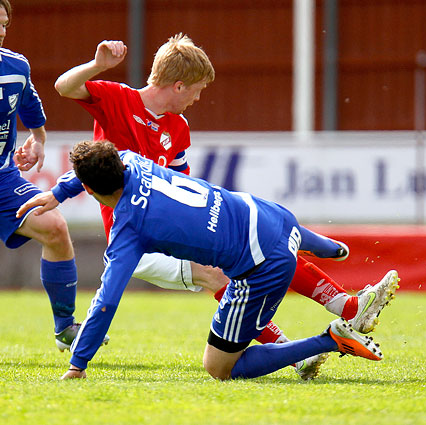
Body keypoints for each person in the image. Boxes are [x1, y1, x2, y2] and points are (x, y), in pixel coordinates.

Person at [53, 36, 398, 379]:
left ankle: (340, 314)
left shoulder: (177, 128)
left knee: (259, 249)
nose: (198, 98)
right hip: (136, 238)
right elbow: (64, 87)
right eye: (196, 90)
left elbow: (182, 186)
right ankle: (305, 347)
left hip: (166, 227)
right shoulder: (118, 99)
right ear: (177, 85)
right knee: (227, 267)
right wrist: (98, 65)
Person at [18, 140, 392, 380]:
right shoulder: (131, 160)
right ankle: (332, 253)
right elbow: (98, 164)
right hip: (271, 213)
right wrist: (59, 192)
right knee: (285, 235)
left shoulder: (128, 230)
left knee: (219, 367)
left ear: (89, 189)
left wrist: (78, 363)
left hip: (262, 265)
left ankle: (330, 340)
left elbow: (106, 302)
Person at [0, 0, 107, 350]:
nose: (1, 32)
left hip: (3, 179)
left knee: (55, 227)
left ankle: (65, 329)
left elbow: (30, 109)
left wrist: (38, 139)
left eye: (4, 24)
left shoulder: (16, 67)